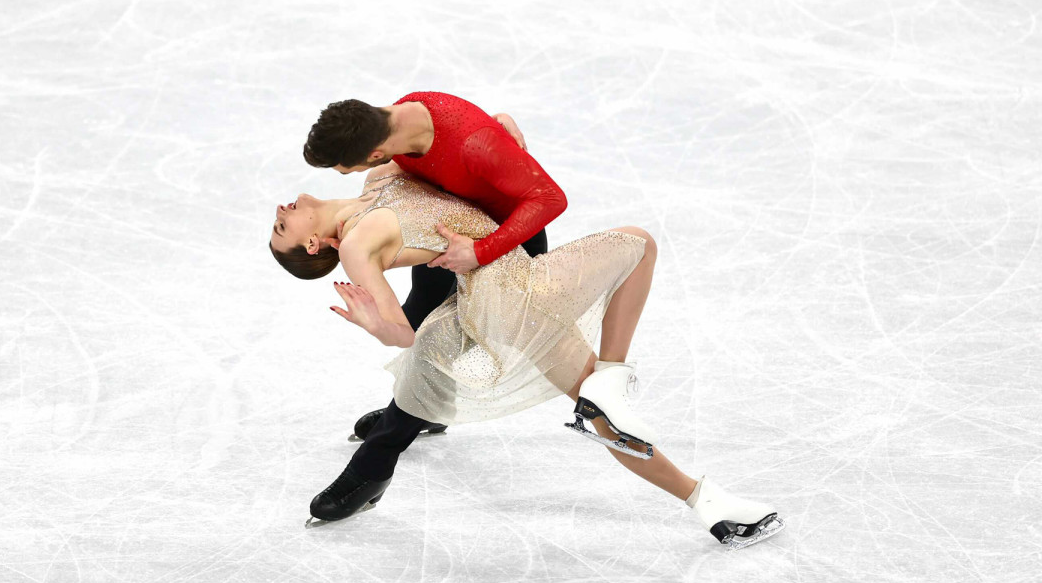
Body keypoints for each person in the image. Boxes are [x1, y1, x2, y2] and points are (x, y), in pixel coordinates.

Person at [269, 164, 785, 549]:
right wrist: (372, 322)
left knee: (595, 371)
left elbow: (494, 136)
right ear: (315, 245)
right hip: (518, 302)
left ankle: (616, 396)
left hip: (506, 276)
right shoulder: (358, 242)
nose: (279, 213)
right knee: (638, 249)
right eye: (281, 230)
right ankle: (699, 493)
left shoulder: (377, 182)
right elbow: (403, 336)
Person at [300, 92, 566, 515]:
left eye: (345, 168)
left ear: (374, 151)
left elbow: (551, 199)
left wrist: (478, 253)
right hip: (445, 230)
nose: (344, 175)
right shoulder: (399, 115)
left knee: (432, 351)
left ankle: (372, 468)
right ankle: (426, 410)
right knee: (416, 317)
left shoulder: (471, 143)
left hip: (505, 250)